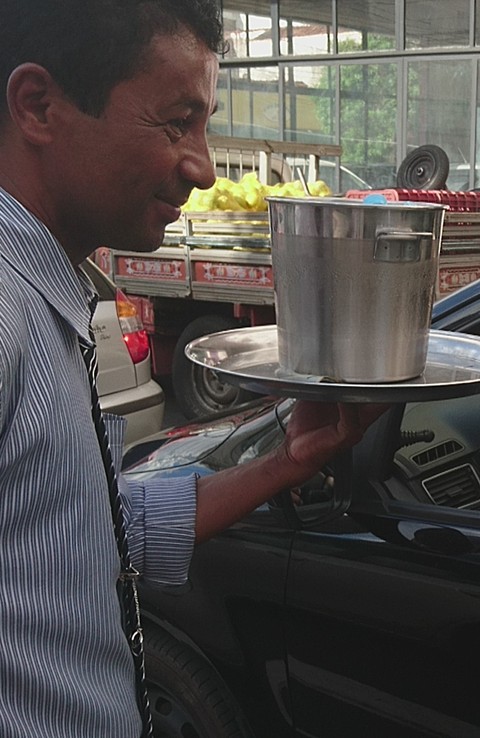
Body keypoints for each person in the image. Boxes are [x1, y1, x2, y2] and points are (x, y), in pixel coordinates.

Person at [0, 2, 384, 735]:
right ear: (38, 106)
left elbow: (97, 529)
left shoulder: (43, 292)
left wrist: (286, 462)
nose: (203, 167)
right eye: (177, 122)